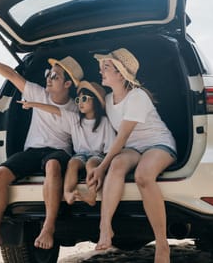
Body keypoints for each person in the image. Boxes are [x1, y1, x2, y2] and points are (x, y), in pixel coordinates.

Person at [0, 42, 84, 257]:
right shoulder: (38, 93)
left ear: (67, 83)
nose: (48, 78)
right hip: (33, 151)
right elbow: (11, 74)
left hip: (59, 152)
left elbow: (61, 115)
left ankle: (48, 228)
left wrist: (36, 105)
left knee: (53, 165)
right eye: (48, 73)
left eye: (55, 76)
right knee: (1, 172)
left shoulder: (75, 108)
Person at [87, 48, 177, 263]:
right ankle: (105, 227)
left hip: (158, 143)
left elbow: (122, 137)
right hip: (133, 148)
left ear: (120, 73)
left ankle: (162, 245)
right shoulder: (108, 100)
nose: (101, 71)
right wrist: (97, 162)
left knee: (143, 177)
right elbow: (112, 136)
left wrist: (101, 167)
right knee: (117, 164)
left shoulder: (137, 96)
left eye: (106, 67)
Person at [18, 80, 115, 207]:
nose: (80, 102)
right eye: (78, 99)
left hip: (97, 155)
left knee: (91, 164)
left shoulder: (105, 122)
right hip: (80, 155)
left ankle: (92, 194)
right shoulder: (74, 119)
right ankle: (68, 193)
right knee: (73, 163)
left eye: (84, 98)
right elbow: (54, 110)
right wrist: (33, 104)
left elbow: (110, 148)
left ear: (95, 101)